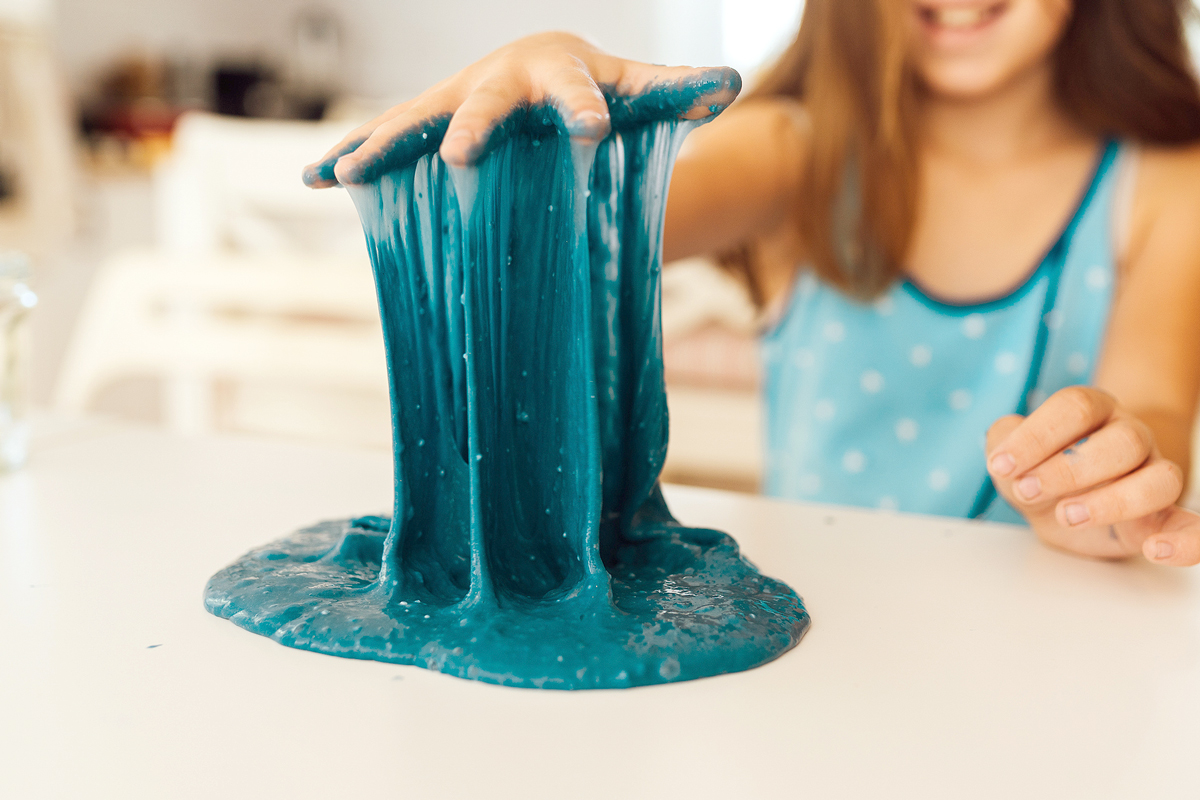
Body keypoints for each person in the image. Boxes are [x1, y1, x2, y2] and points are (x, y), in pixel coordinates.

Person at [304, 0, 1200, 566]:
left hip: (1056, 657)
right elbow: (574, 232)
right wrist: (547, 78)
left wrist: (1110, 492)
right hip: (816, 657)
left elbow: (1152, 405)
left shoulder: (1171, 185)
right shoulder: (794, 154)